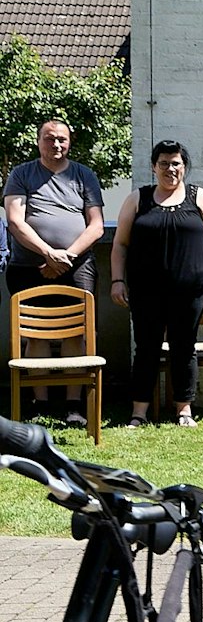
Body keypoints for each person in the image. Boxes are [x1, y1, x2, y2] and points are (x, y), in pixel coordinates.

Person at [109, 141, 203, 427]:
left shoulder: (201, 198)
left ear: (184, 167)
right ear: (154, 167)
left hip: (190, 290)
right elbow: (120, 244)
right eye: (163, 163)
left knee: (184, 346)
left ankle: (184, 410)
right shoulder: (137, 199)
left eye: (176, 163)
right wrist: (117, 281)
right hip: (145, 291)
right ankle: (138, 413)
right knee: (146, 348)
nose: (170, 169)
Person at [3, 118, 106, 425]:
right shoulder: (21, 174)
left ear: (69, 142)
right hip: (28, 267)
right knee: (37, 334)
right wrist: (48, 253)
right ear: (39, 141)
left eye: (62, 139)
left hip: (77, 267)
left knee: (76, 332)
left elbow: (96, 226)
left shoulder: (84, 175)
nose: (56, 144)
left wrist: (66, 257)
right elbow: (15, 221)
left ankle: (74, 406)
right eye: (50, 139)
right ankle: (41, 404)